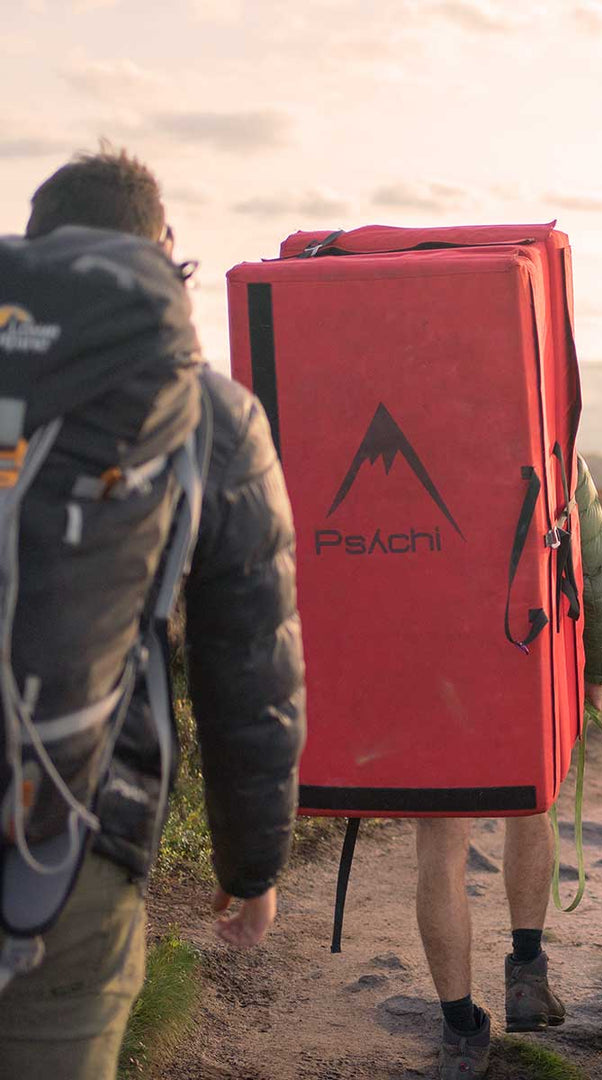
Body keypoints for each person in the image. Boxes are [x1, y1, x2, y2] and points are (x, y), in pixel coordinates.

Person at [0, 146, 306, 1077]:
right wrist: (248, 868)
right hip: (77, 832)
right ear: (163, 252)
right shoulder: (210, 415)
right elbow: (247, 666)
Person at [420, 458, 602, 1078]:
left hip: (429, 655)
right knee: (532, 800)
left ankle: (460, 1033)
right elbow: (593, 561)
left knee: (440, 842)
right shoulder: (548, 439)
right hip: (521, 647)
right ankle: (527, 981)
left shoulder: (412, 415)